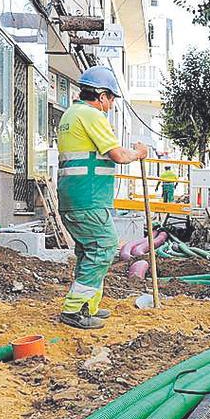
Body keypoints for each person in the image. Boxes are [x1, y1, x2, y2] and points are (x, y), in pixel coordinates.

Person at [56, 65, 148, 329]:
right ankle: (74, 310)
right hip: (89, 197)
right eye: (111, 98)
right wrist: (139, 153)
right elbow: (117, 155)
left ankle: (88, 306)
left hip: (74, 197)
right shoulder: (92, 115)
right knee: (105, 247)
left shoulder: (70, 115)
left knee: (88, 251)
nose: (111, 105)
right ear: (101, 95)